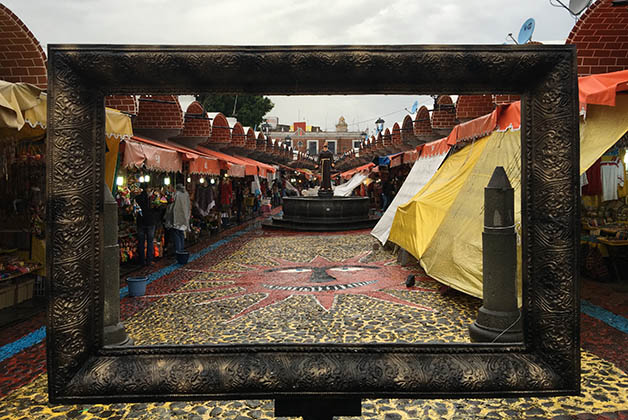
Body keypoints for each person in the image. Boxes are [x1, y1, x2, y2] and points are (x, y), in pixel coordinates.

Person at [164, 183, 191, 254]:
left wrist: (167, 217)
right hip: (184, 217)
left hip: (176, 217)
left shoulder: (176, 194)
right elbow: (188, 205)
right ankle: (181, 249)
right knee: (181, 233)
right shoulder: (186, 194)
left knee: (176, 234)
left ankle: (178, 251)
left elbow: (171, 206)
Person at [135, 183, 157, 266]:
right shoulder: (151, 199)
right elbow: (156, 209)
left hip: (140, 222)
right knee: (150, 241)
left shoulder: (137, 198)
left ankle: (141, 260)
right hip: (150, 222)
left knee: (141, 241)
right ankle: (149, 260)